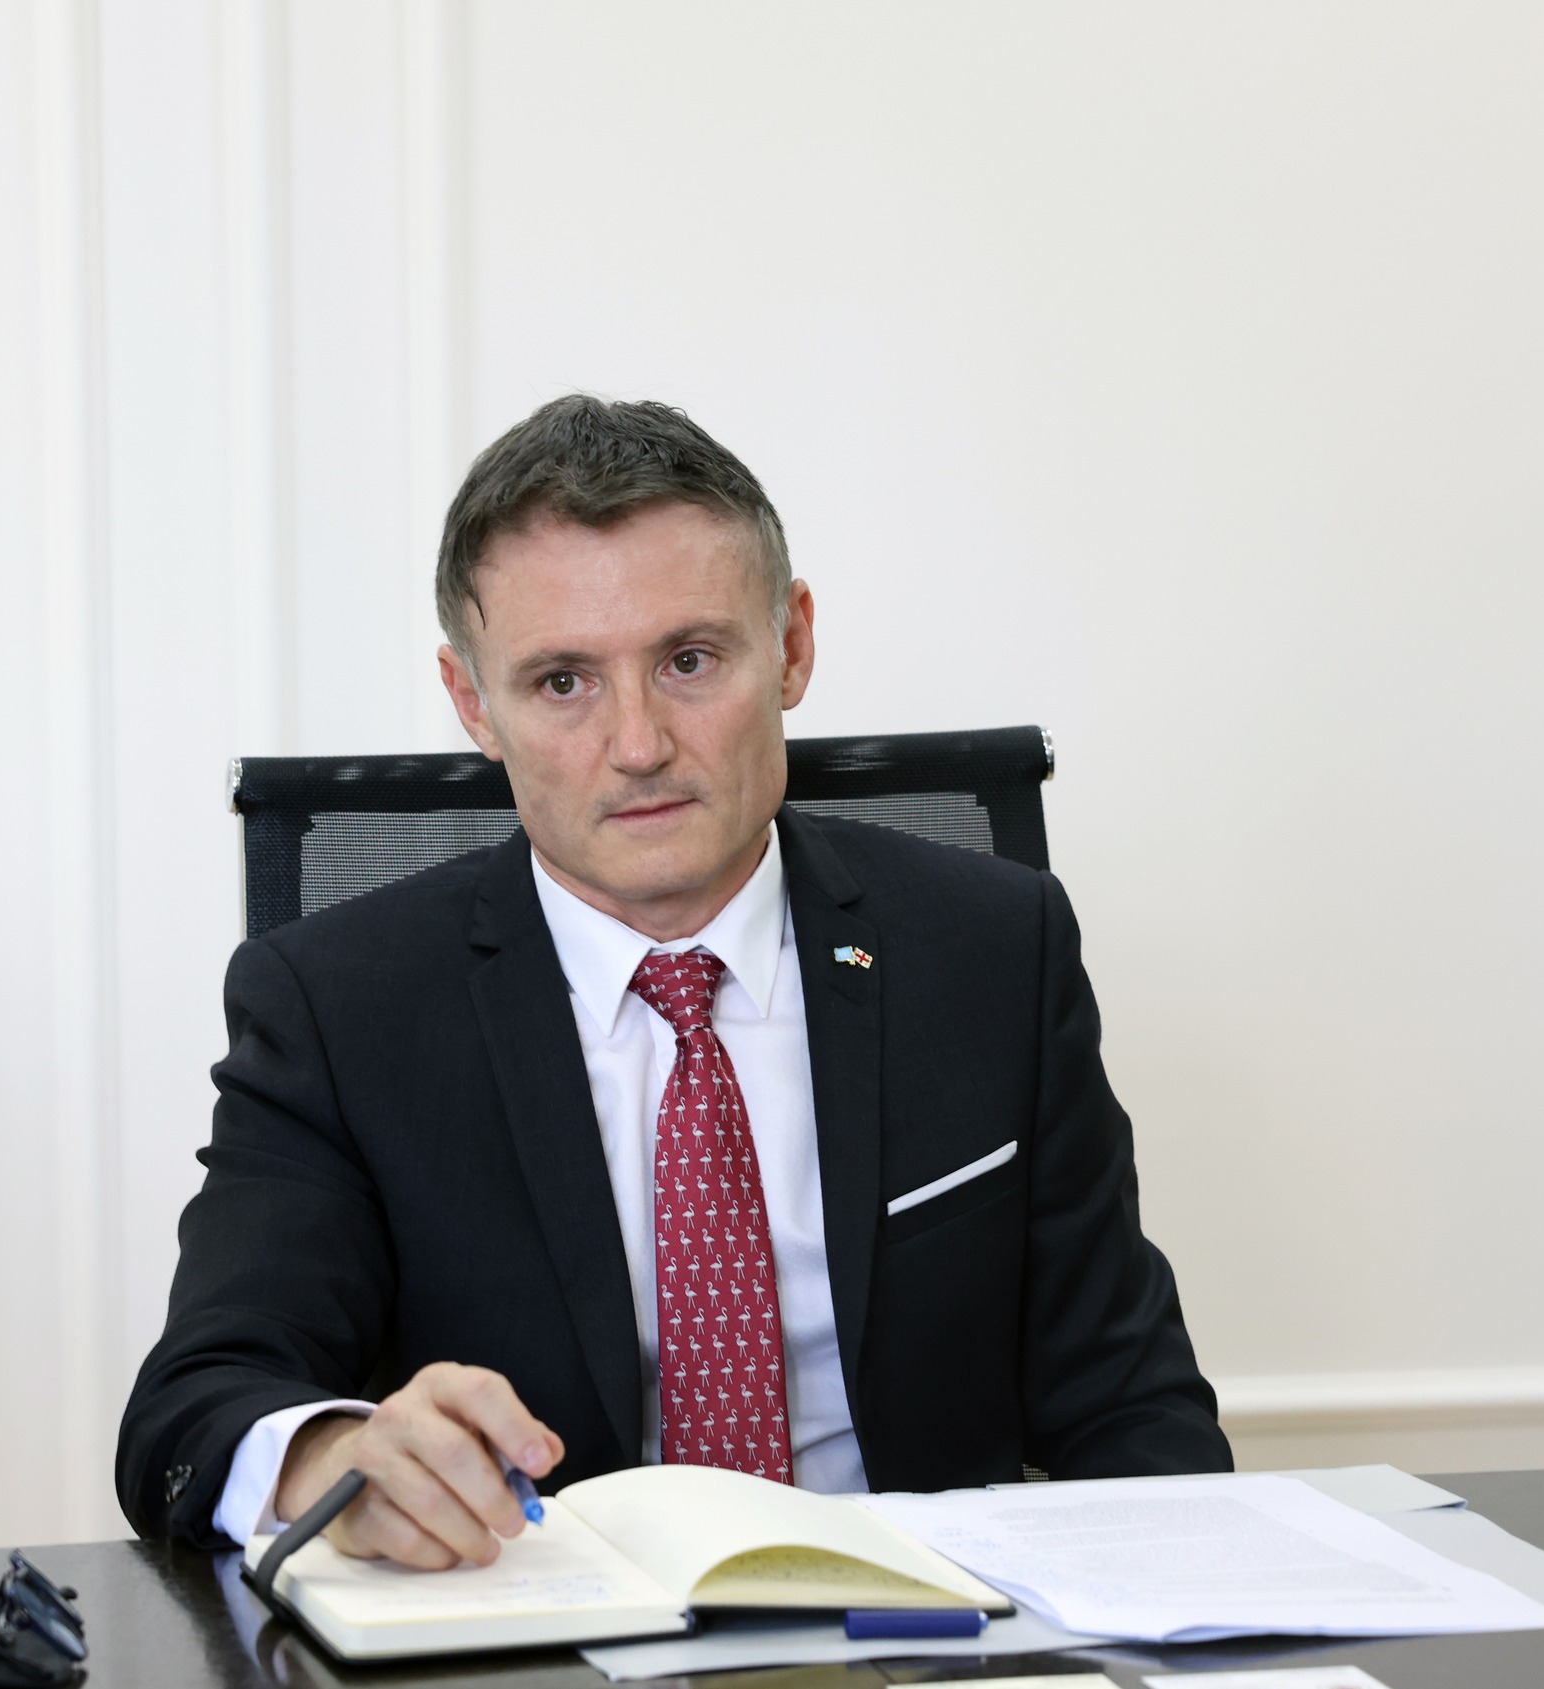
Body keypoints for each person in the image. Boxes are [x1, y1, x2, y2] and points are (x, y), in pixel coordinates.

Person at [116, 395, 1230, 1569]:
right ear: (471, 703)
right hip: (533, 1624)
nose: (639, 744)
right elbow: (194, 1408)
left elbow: (1126, 1403)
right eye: (561, 682)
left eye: (688, 661)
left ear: (790, 647)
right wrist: (329, 1455)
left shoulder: (993, 948)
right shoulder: (337, 1006)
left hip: (924, 1619)